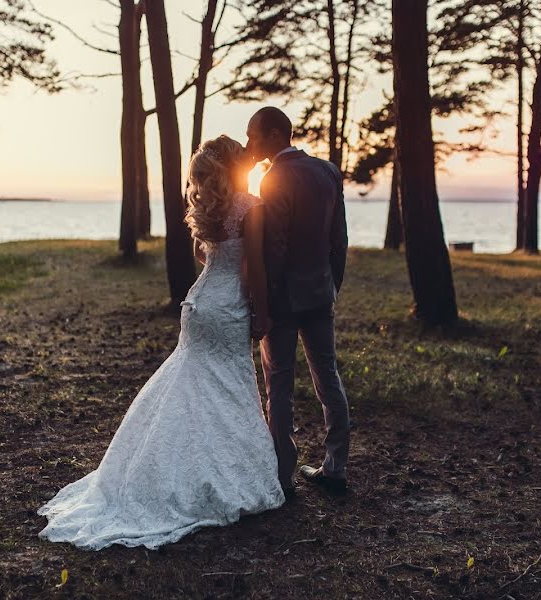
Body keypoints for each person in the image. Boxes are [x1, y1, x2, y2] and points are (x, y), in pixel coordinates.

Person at [37, 135, 284, 551]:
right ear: (234, 166)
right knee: (226, 385)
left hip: (199, 303)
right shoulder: (251, 207)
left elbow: (206, 258)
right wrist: (262, 312)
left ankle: (158, 468)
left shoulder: (214, 209)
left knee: (191, 382)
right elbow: (255, 267)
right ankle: (215, 476)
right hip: (229, 309)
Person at [245, 106, 350, 498]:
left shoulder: (273, 179)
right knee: (329, 378)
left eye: (254, 135)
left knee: (280, 384)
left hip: (285, 300)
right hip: (321, 293)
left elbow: (275, 248)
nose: (250, 144)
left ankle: (283, 475)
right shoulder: (327, 172)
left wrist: (264, 305)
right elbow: (339, 238)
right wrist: (331, 285)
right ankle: (336, 467)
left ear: (274, 134)